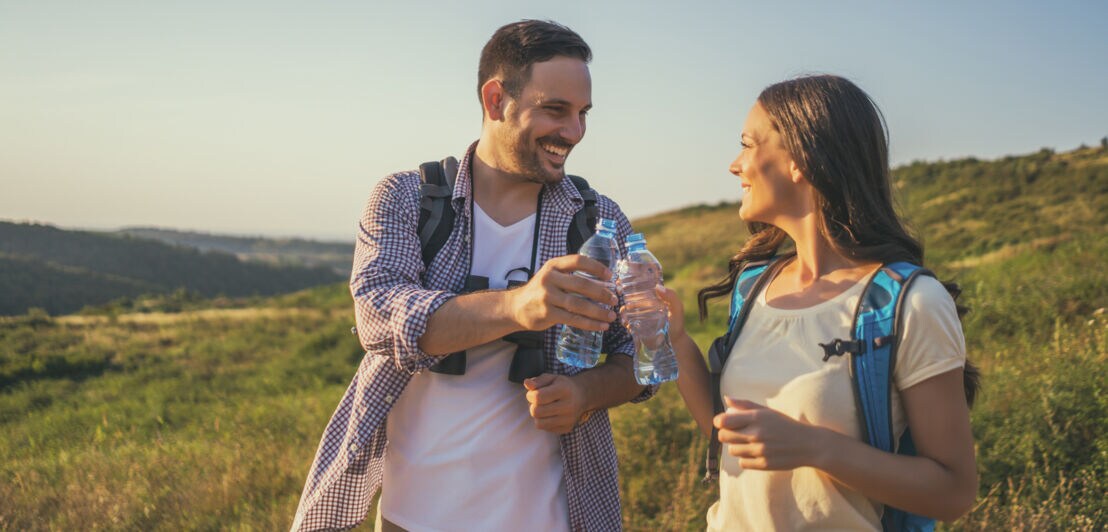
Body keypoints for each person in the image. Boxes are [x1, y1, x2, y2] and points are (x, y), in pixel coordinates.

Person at [290, 20, 650, 532]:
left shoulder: (599, 221)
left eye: (582, 114)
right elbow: (378, 318)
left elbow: (640, 359)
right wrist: (518, 306)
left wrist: (586, 395)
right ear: (495, 98)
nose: (574, 132)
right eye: (556, 110)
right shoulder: (406, 198)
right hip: (411, 517)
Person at [656, 75, 979, 530]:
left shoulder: (908, 303)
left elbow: (954, 491)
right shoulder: (755, 287)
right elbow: (728, 435)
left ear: (800, 160)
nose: (734, 164)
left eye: (748, 145)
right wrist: (673, 337)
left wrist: (816, 448)